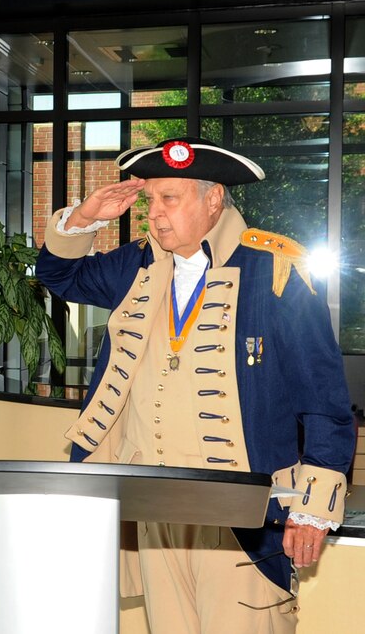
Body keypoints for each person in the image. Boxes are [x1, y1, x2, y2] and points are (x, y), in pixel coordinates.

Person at [35, 137, 356, 633]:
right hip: (152, 500)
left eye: (170, 199)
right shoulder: (136, 264)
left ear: (212, 200)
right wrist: (85, 217)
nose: (154, 215)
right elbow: (60, 276)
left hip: (242, 513)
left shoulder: (274, 270)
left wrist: (313, 511)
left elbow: (324, 399)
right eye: (150, 201)